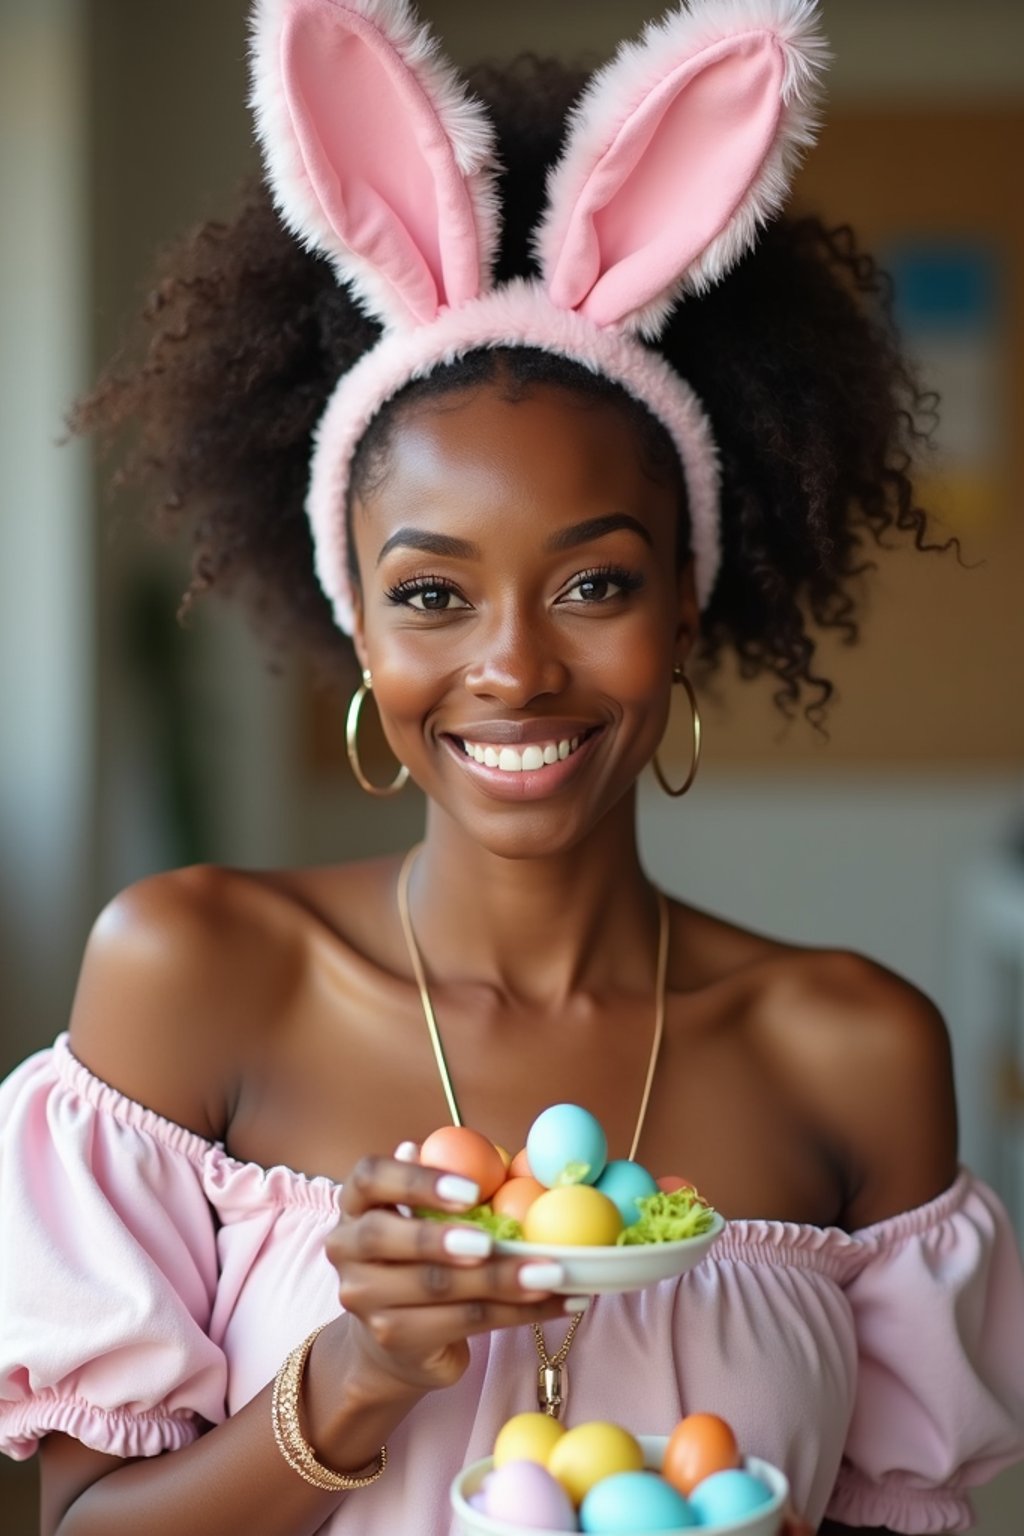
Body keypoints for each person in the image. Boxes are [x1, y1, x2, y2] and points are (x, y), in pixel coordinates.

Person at [2, 1, 1023, 1533]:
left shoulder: (858, 1051)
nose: (514, 666)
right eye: (431, 594)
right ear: (358, 623)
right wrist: (357, 1371)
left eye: (595, 584)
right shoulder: (191, 974)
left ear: (688, 600)